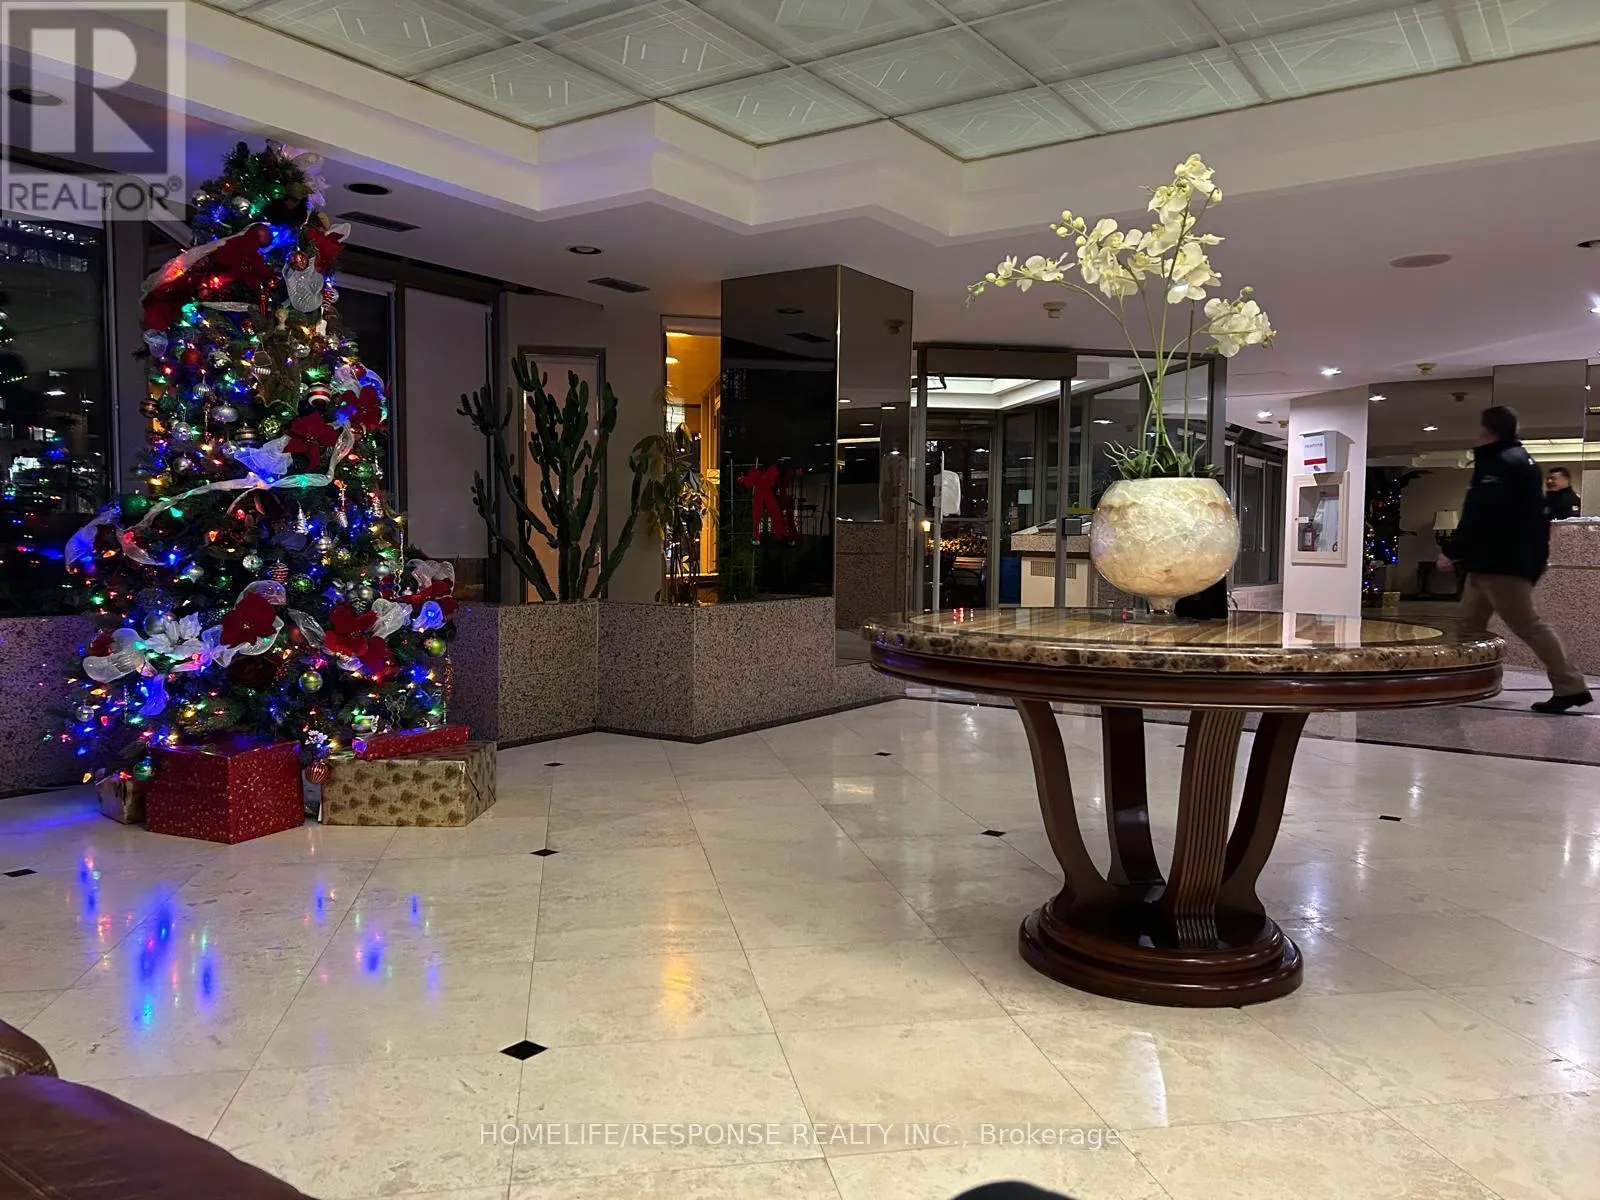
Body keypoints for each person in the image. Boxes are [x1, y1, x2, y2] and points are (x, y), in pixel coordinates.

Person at [1440, 406, 1591, 713]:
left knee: (1529, 625)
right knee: (1468, 625)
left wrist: (1454, 551)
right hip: (1491, 563)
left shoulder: (1500, 464)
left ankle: (1571, 685)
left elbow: (1482, 514)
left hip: (1501, 563)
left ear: (1487, 431)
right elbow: (1531, 517)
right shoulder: (1519, 461)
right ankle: (1463, 683)